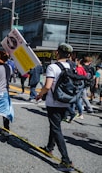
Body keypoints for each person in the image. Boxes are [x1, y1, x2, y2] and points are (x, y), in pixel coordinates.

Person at [36, 43, 75, 171]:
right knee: (55, 125)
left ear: (57, 53)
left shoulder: (53, 67)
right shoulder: (72, 66)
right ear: (69, 54)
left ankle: (66, 161)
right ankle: (49, 148)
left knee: (56, 128)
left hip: (54, 102)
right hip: (67, 101)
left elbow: (47, 86)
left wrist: (39, 95)